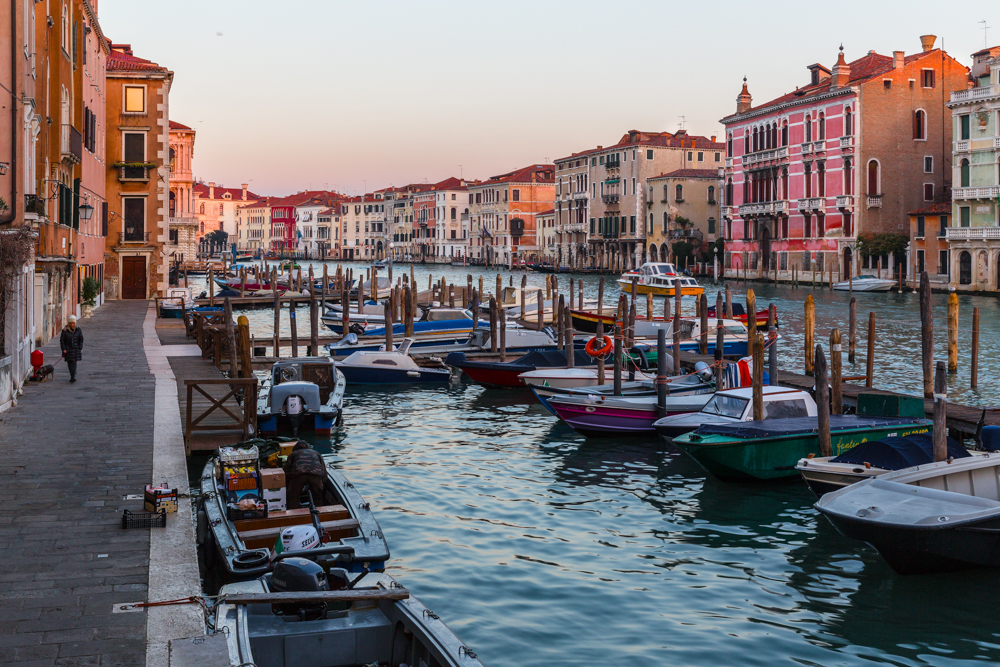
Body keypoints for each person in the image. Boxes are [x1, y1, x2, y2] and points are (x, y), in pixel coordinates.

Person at [283, 441, 327, 509]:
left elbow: (287, 470)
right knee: (317, 496)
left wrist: (287, 484)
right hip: (316, 474)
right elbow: (323, 469)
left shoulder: (293, 454)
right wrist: (323, 483)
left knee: (293, 496)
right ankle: (319, 512)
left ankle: (295, 513)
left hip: (298, 474)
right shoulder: (316, 453)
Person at [60, 315, 84, 383]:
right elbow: (62, 341)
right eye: (71, 323)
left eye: (73, 323)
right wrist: (64, 349)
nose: (72, 325)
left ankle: (73, 376)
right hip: (68, 350)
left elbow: (81, 339)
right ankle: (72, 375)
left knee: (74, 362)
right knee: (70, 363)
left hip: (76, 349)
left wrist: (80, 346)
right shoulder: (65, 331)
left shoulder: (78, 330)